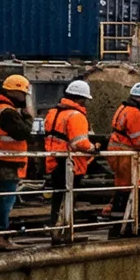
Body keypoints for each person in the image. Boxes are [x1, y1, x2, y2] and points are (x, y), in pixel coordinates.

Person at [0, 73, 33, 245]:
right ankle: (1, 236)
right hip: (6, 164)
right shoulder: (8, 112)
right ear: (15, 93)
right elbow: (23, 133)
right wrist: (28, 116)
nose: (24, 98)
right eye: (23, 94)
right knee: (4, 201)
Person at [41, 79, 97, 230]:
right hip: (71, 162)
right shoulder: (76, 115)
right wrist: (94, 148)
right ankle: (65, 227)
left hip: (53, 160)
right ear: (80, 99)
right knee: (69, 195)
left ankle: (56, 224)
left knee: (58, 195)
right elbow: (79, 143)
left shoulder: (52, 113)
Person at [106, 82, 140, 232]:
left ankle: (118, 222)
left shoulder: (123, 108)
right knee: (131, 188)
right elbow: (138, 140)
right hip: (127, 155)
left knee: (122, 187)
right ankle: (129, 223)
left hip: (118, 153)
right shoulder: (135, 113)